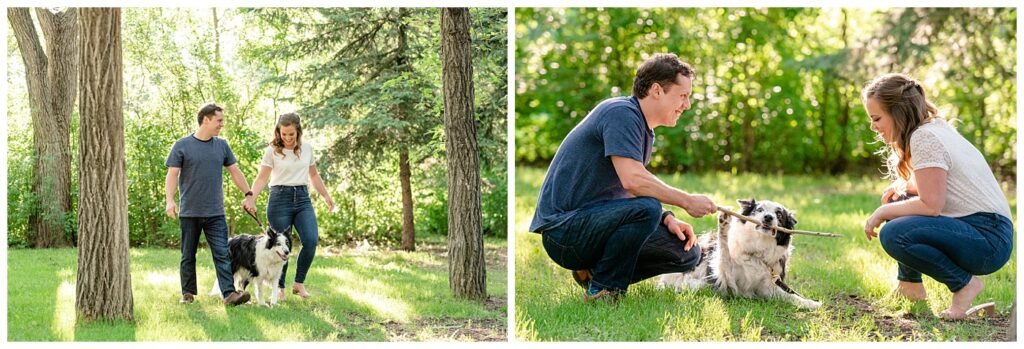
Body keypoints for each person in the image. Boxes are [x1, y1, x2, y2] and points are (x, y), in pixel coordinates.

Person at [529, 53, 718, 302]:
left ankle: (594, 273)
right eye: (683, 96)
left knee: (686, 252)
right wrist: (686, 201)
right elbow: (634, 180)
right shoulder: (621, 113)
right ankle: (604, 289)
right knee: (646, 209)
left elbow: (627, 190)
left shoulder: (643, 129)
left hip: (594, 222)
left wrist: (667, 218)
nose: (687, 105)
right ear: (657, 90)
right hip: (563, 232)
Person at [862, 73, 1013, 320]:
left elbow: (932, 205)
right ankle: (909, 287)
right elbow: (939, 185)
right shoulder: (934, 129)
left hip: (988, 238)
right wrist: (903, 188)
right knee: (898, 202)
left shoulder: (925, 136)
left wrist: (881, 213)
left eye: (877, 118)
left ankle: (964, 285)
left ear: (899, 112)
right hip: (986, 231)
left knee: (893, 232)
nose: (873, 126)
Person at [166, 103, 257, 306]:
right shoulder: (182, 145)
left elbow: (235, 171)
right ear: (206, 120)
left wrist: (248, 194)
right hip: (190, 212)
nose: (221, 125)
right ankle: (188, 294)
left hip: (215, 212)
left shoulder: (222, 145)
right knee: (188, 254)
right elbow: (172, 174)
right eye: (219, 120)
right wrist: (170, 201)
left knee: (223, 253)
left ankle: (229, 294)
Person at [247, 112, 335, 300]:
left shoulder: (307, 149)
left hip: (302, 198)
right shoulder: (272, 151)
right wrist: (251, 198)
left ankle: (299, 283)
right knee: (280, 245)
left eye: (291, 134)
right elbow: (262, 177)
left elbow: (314, 175)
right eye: (283, 134)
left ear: (298, 132)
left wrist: (326, 195)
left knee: (311, 240)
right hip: (279, 199)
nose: (287, 138)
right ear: (278, 132)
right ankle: (279, 287)